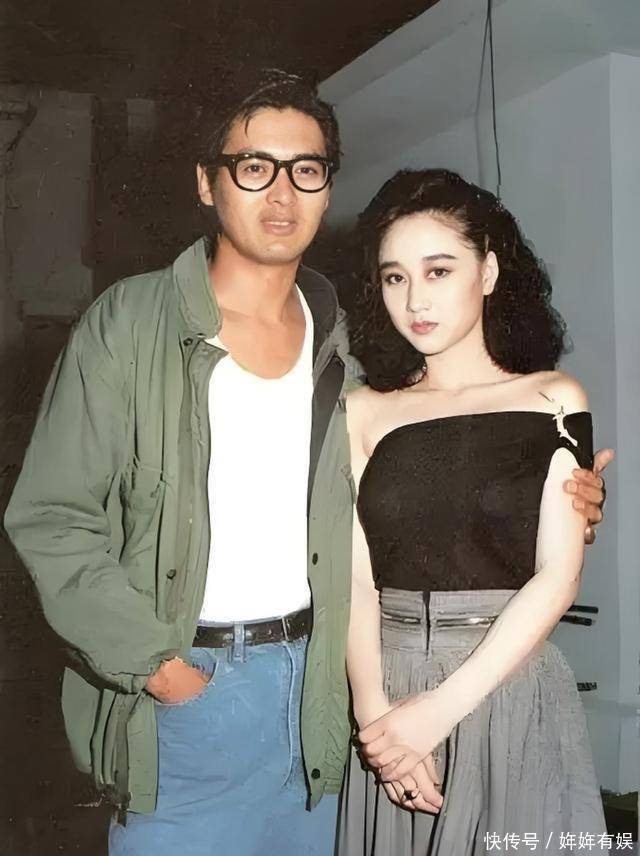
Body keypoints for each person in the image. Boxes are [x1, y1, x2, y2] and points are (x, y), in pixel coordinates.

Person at [3, 74, 608, 855]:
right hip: (192, 692)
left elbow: (435, 474)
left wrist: (555, 496)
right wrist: (160, 670)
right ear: (207, 182)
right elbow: (53, 519)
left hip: (324, 695)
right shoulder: (130, 323)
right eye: (254, 166)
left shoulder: (352, 345)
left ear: (328, 187)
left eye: (307, 169)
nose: (283, 192)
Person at [336, 169, 610, 855]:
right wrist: (379, 725)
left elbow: (558, 576)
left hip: (507, 686)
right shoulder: (362, 410)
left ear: (487, 272)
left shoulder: (554, 397)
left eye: (438, 270)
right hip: (389, 689)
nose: (414, 299)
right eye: (395, 277)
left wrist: (436, 713)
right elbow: (355, 580)